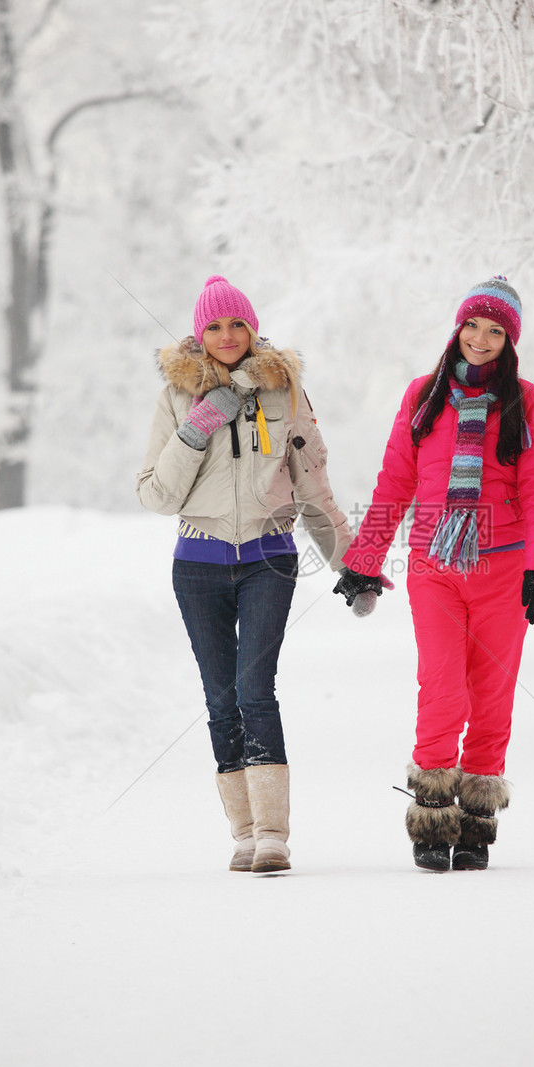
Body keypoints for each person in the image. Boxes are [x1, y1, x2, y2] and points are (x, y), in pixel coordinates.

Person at [137, 275, 370, 874]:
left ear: (253, 327)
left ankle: (272, 834)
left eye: (236, 323)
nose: (226, 336)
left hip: (269, 560)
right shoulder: (176, 397)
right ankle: (242, 833)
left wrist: (354, 562)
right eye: (213, 326)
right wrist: (198, 428)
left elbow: (313, 485)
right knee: (220, 700)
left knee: (253, 690)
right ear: (197, 333)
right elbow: (157, 495)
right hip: (198, 566)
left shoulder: (284, 391)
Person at [335, 276, 534, 872]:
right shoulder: (421, 396)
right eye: (472, 326)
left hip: (504, 570)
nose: (480, 339)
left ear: (509, 340)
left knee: (490, 693)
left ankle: (477, 823)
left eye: (495, 331)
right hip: (434, 567)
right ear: (457, 328)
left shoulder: (526, 401)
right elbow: (395, 486)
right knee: (442, 686)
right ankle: (432, 815)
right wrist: (363, 561)